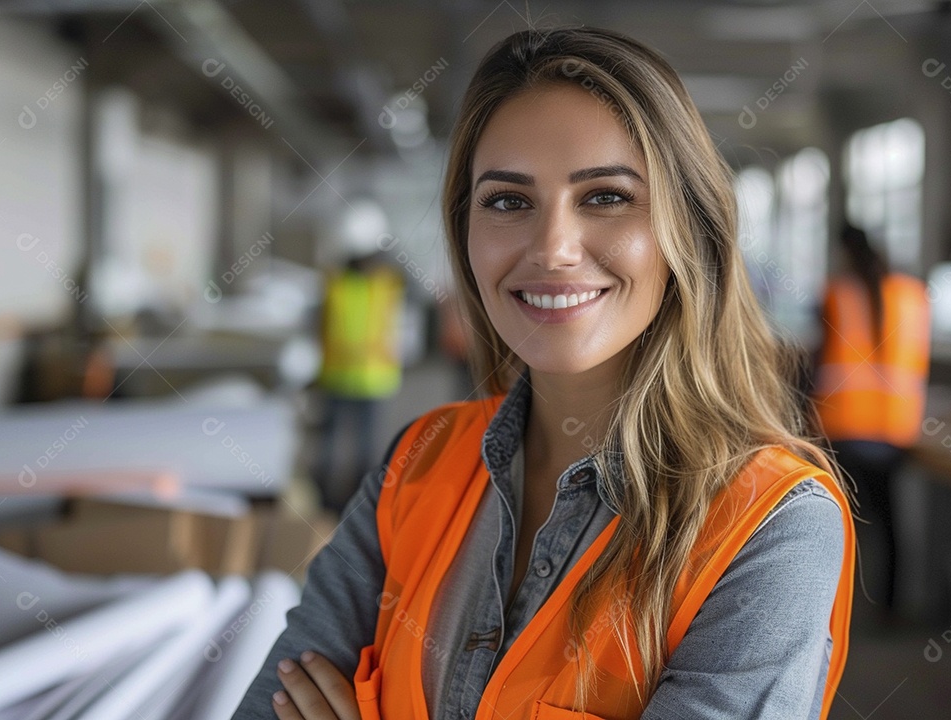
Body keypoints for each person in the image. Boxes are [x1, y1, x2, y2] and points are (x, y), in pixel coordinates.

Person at [234, 27, 855, 720]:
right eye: (508, 201)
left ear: (690, 227)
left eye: (606, 196)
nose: (553, 248)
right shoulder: (418, 463)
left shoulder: (771, 527)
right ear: (465, 234)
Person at [813, 224, 930, 617]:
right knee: (890, 521)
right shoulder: (912, 295)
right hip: (896, 429)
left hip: (844, 427)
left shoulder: (837, 295)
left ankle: (837, 611)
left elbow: (817, 364)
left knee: (841, 522)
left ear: (845, 253)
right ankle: (891, 608)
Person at [314, 253, 404, 510]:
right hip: (358, 379)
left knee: (354, 447)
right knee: (343, 446)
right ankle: (341, 502)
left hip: (356, 379)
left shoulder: (339, 285)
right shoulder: (384, 285)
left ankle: (341, 503)